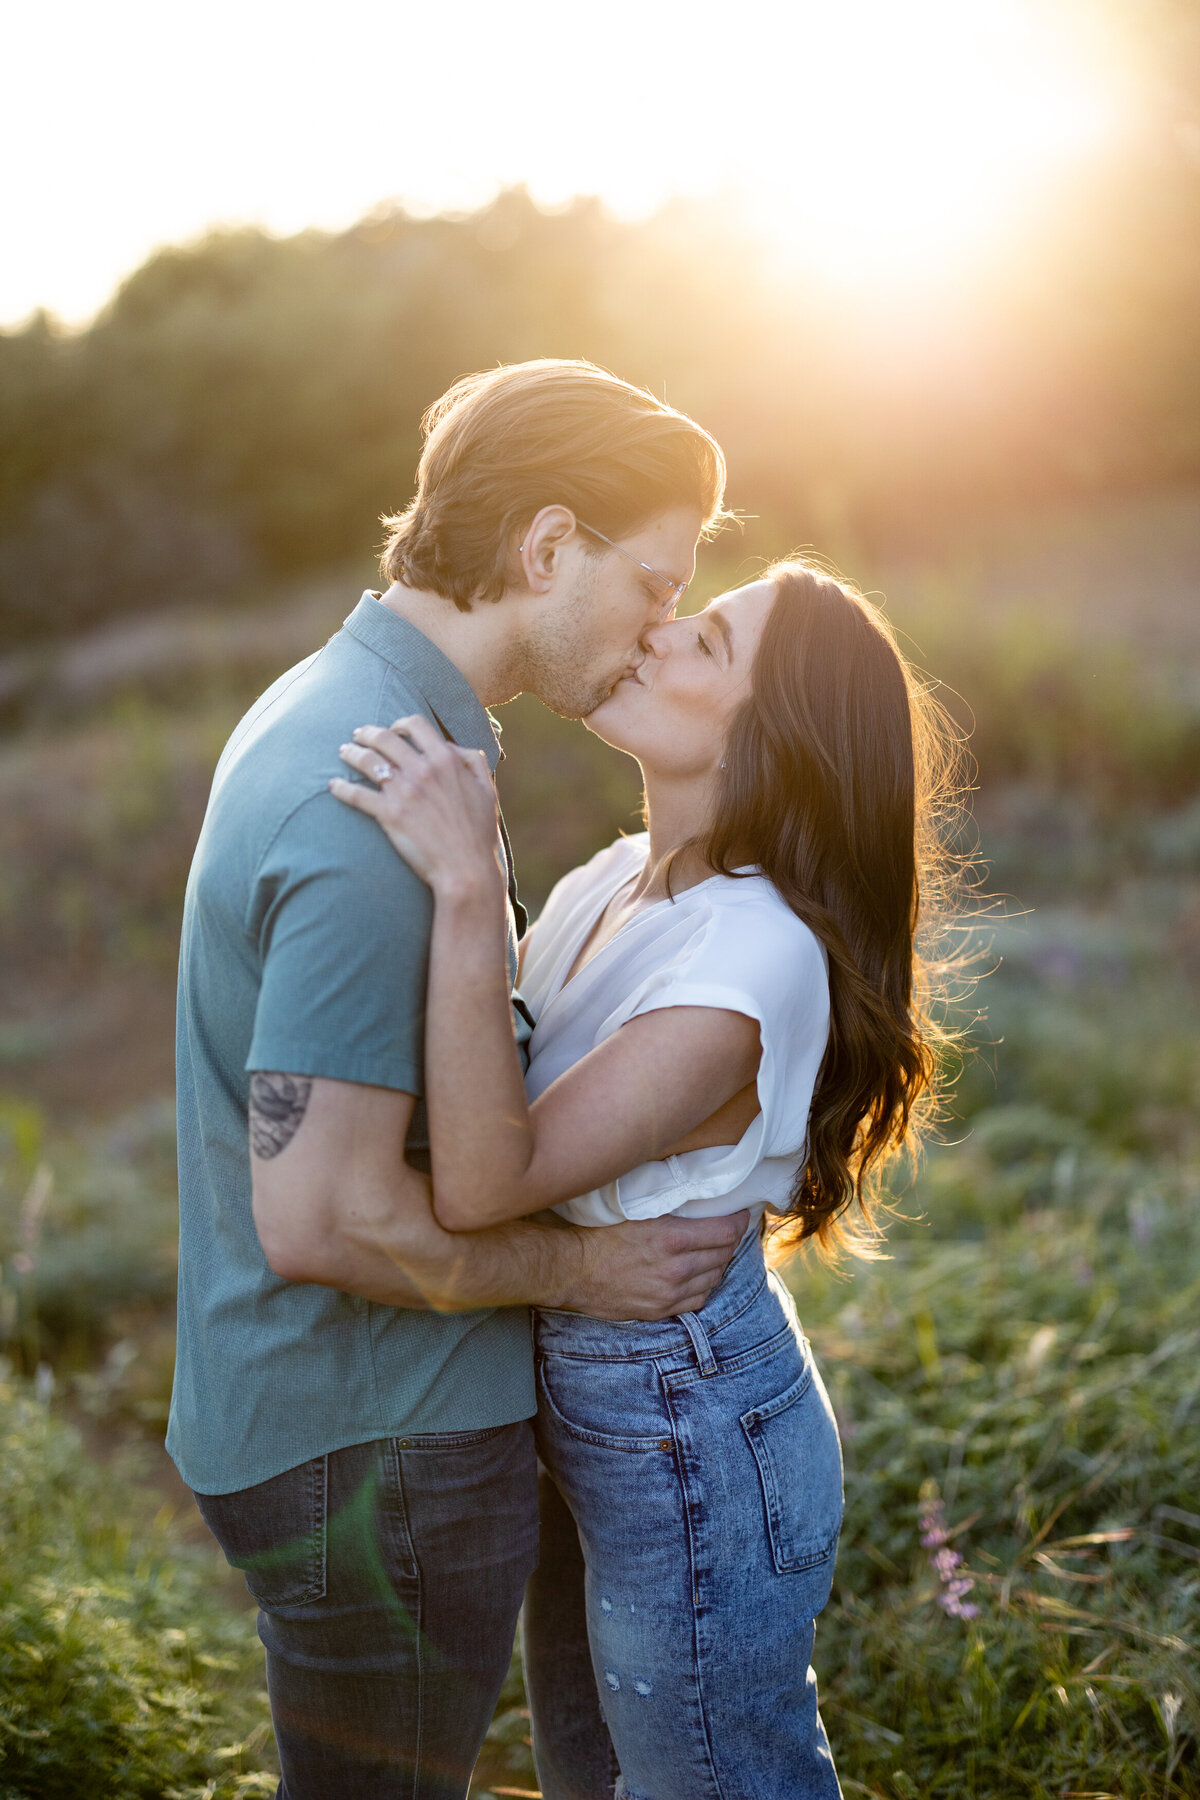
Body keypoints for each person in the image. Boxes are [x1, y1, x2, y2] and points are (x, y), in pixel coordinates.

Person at [166, 358, 751, 1799]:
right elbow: (326, 1218)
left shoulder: (344, 706)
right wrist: (590, 1273)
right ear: (548, 546)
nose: (660, 627)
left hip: (341, 1423)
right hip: (377, 1445)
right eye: (654, 584)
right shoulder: (370, 792)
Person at [332, 559, 954, 1798]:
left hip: (690, 1418)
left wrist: (465, 884)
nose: (659, 635)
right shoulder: (613, 880)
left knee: (711, 1782)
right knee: (596, 1775)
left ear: (776, 738)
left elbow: (485, 1175)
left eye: (709, 643)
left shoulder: (754, 955)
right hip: (597, 1382)